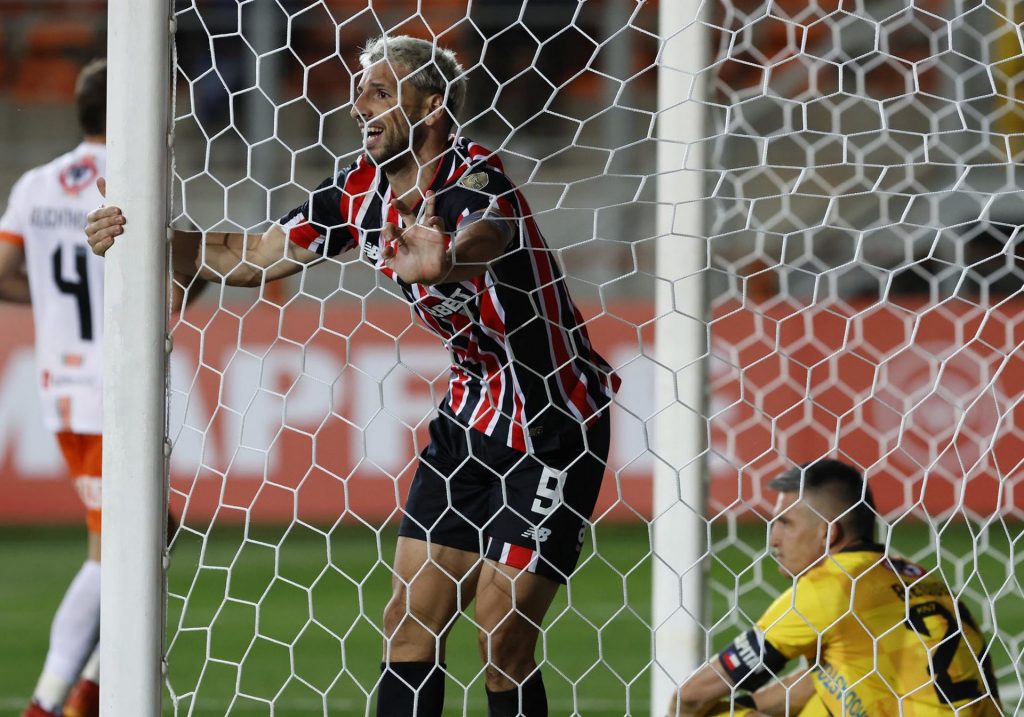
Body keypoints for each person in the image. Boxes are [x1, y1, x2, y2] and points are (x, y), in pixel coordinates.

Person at [86, 34, 619, 717]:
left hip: (555, 421)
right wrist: (143, 233)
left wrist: (449, 258)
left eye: (377, 91)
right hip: (468, 418)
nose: (356, 104)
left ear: (430, 107)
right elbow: (255, 255)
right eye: (357, 90)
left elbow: (494, 233)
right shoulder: (356, 191)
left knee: (501, 636)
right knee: (408, 620)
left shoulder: (474, 178)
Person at [667, 459, 1002, 716]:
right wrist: (750, 703)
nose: (773, 540)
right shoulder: (924, 578)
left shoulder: (827, 588)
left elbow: (692, 695)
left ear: (828, 533)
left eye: (785, 523)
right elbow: (825, 681)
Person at [0, 60, 109, 717]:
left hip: (62, 382)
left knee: (152, 531)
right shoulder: (137, 180)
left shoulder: (37, 183)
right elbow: (178, 282)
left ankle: (90, 685)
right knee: (118, 546)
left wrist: (48, 302)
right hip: (114, 387)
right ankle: (53, 702)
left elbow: (2, 272)